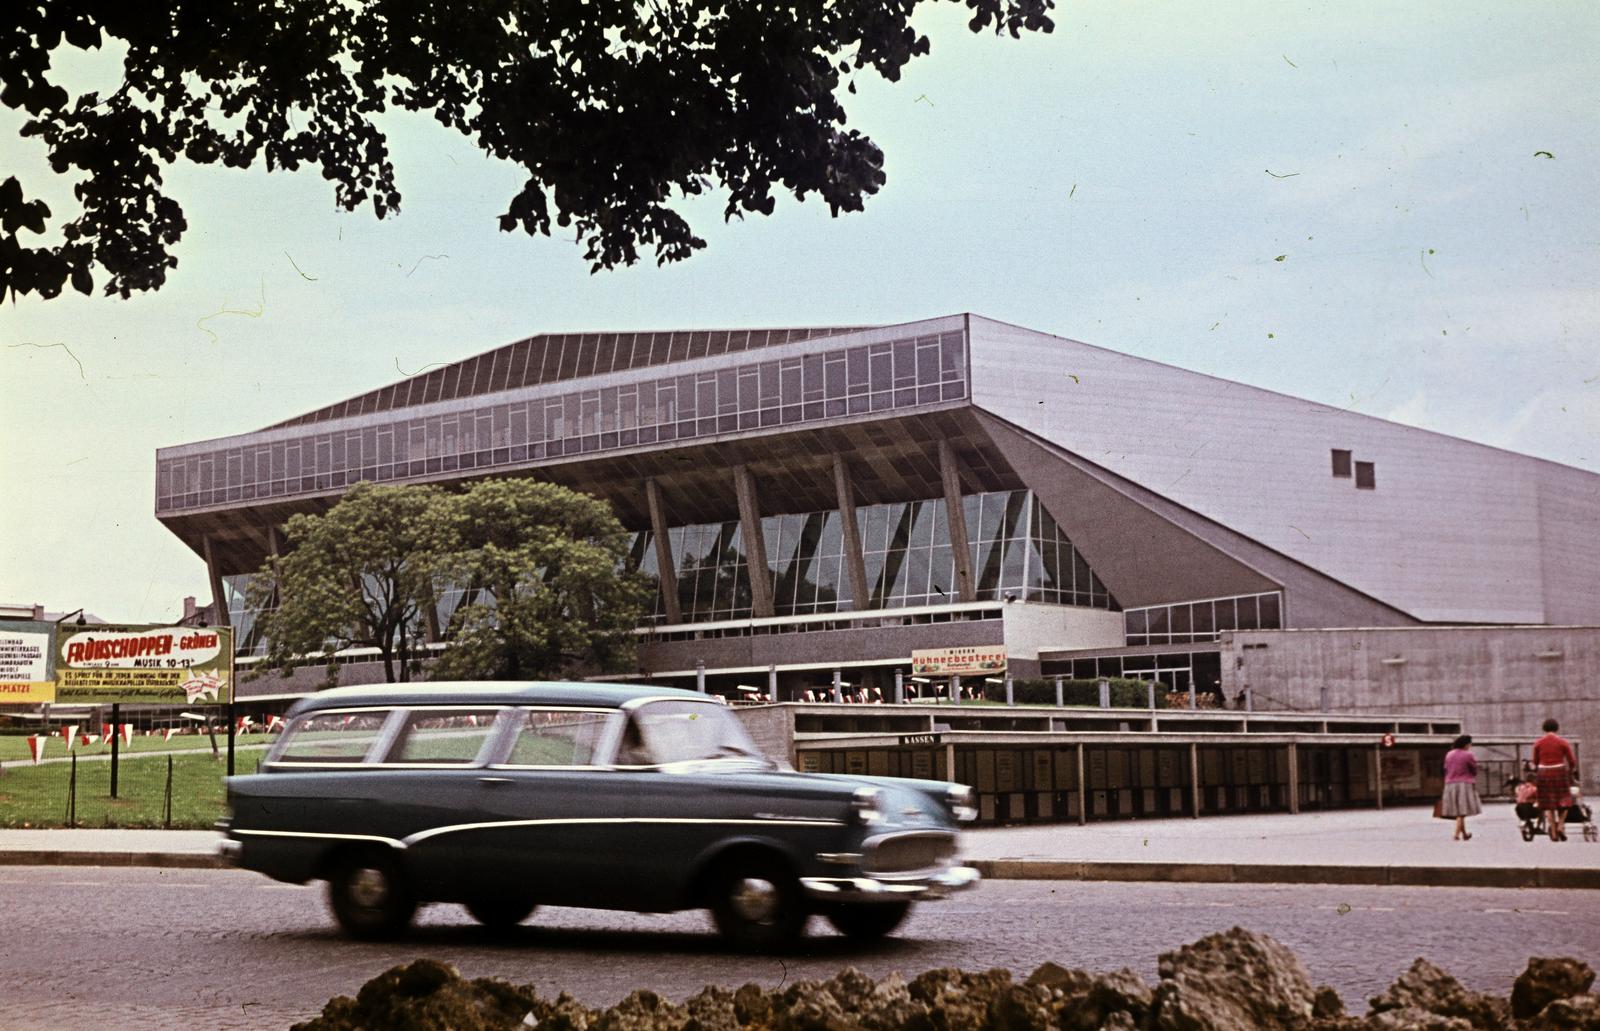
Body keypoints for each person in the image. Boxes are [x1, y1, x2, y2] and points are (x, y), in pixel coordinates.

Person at [1531, 718, 1579, 842]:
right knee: (1565, 801)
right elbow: (1572, 760)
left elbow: (1535, 761)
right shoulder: (1562, 742)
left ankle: (1553, 832)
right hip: (1559, 771)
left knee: (1548, 805)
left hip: (1543, 773)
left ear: (1544, 728)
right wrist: (1571, 770)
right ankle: (1561, 826)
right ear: (1557, 728)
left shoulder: (1538, 743)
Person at [1439, 734, 1481, 840]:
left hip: (1450, 784)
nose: (1470, 746)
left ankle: (1465, 834)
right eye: (1470, 744)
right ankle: (1456, 834)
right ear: (1466, 744)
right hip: (1464, 784)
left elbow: (1445, 768)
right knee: (1462, 810)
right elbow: (1474, 769)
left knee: (1458, 809)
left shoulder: (1449, 754)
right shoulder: (1468, 755)